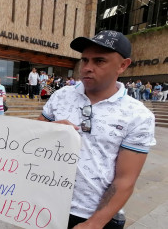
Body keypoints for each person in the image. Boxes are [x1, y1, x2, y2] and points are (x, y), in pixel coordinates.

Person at [38, 30, 155, 228]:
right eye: (84, 60)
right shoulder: (61, 96)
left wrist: (94, 223)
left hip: (94, 216)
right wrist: (49, 130)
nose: (87, 68)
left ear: (123, 65)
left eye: (99, 61)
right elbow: (32, 134)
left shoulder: (138, 116)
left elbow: (125, 180)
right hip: (47, 204)